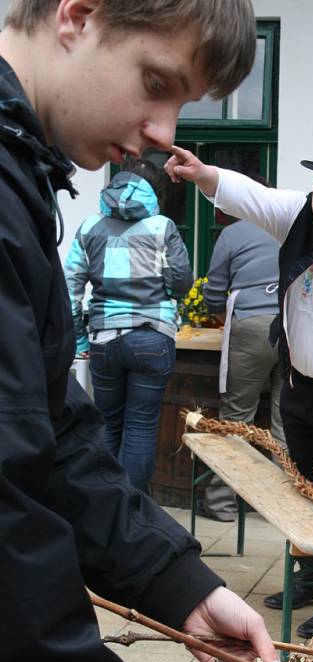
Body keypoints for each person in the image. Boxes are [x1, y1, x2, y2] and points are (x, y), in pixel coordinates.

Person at [0, 2, 289, 662]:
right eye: (156, 84)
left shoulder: (25, 181)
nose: (164, 131)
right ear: (77, 17)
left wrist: (179, 585)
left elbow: (53, 435)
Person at [165, 134, 313, 638]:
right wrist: (202, 173)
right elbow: (249, 194)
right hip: (302, 389)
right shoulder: (300, 217)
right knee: (304, 491)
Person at [64, 158, 193, 494]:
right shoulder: (161, 226)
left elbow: (70, 289)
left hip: (105, 339)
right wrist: (162, 289)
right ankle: (133, 514)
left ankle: (105, 512)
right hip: (152, 338)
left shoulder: (90, 226)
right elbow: (181, 282)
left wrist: (79, 341)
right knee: (141, 426)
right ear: (155, 191)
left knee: (108, 425)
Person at [201, 179, 285, 521]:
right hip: (293, 329)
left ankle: (222, 503)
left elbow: (214, 291)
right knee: (285, 420)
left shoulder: (233, 235)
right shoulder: (290, 227)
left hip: (250, 327)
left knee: (237, 417)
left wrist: (225, 318)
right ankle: (283, 504)